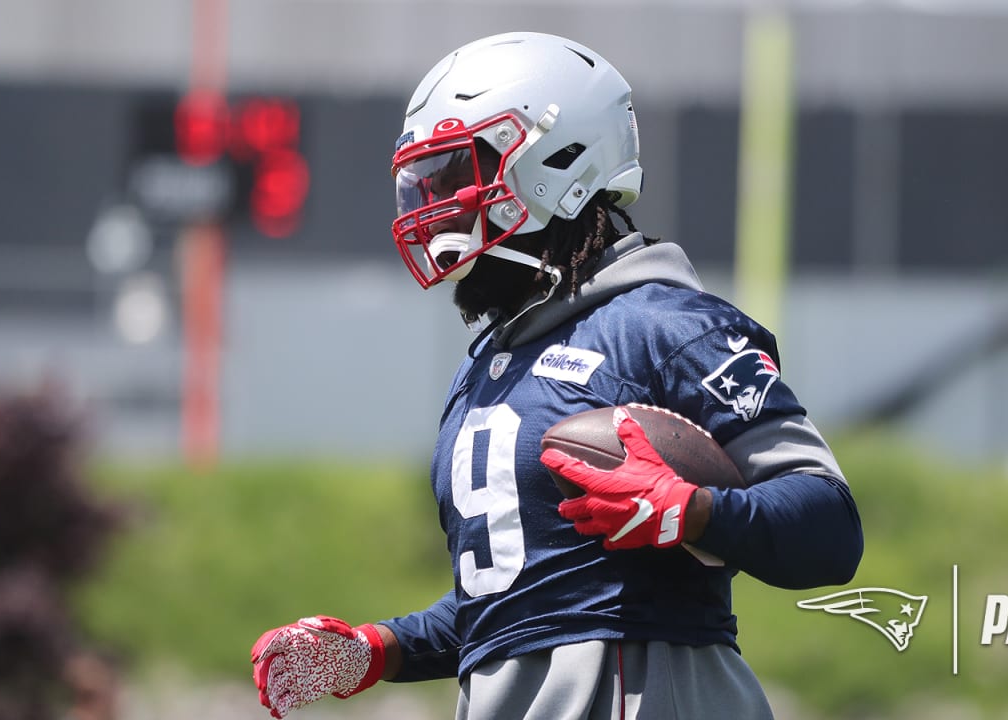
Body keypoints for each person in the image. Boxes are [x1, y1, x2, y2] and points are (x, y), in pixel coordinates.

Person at [250, 31, 863, 720]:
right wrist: (379, 649)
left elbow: (830, 528)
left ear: (555, 159)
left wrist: (693, 511)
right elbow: (518, 605)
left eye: (456, 173)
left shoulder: (663, 326)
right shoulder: (484, 370)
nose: (436, 201)